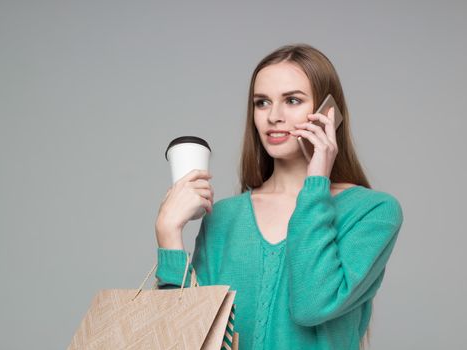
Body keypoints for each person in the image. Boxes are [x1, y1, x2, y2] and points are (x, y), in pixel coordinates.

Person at [154, 43, 404, 350]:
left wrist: (316, 183)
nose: (274, 116)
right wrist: (168, 234)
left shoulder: (373, 212)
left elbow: (313, 305)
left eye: (293, 100)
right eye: (262, 103)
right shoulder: (224, 217)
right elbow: (183, 339)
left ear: (328, 113)